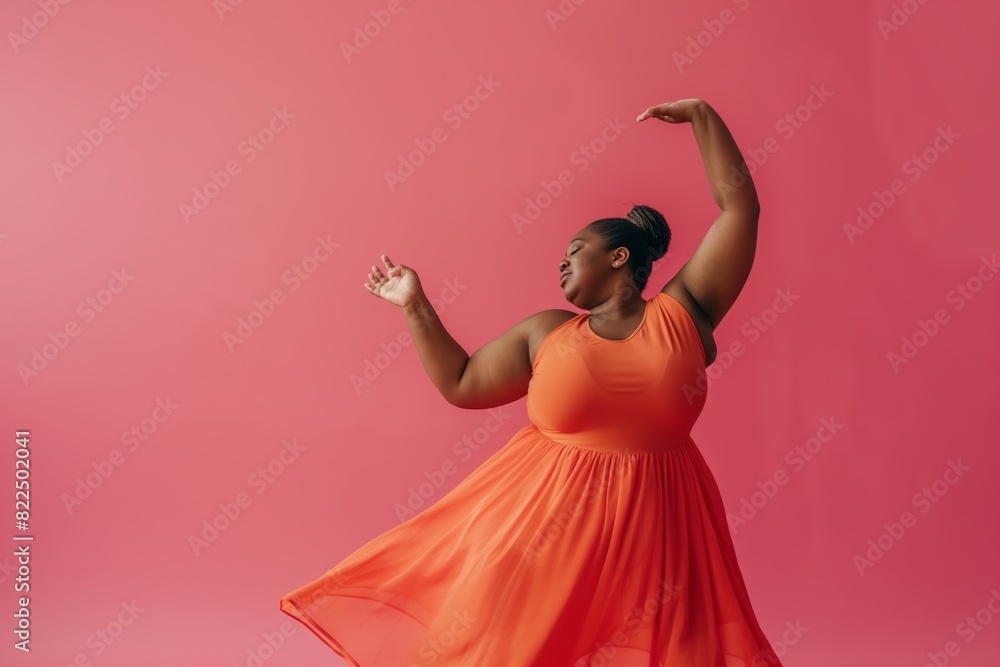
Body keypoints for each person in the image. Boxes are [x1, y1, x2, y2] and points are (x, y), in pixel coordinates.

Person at [279, 98, 782, 666]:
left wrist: (701, 115)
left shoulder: (684, 314)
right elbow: (463, 382)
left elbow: (740, 209)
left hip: (661, 533)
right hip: (542, 530)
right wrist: (413, 304)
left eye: (576, 251)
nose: (561, 263)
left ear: (620, 256)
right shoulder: (547, 332)